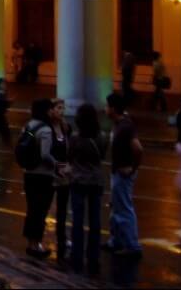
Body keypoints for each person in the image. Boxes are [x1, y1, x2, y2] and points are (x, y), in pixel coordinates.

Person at [68, 103, 108, 276]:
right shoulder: (102, 137)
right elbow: (103, 156)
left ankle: (77, 255)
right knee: (95, 220)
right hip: (96, 181)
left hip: (78, 180)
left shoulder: (76, 138)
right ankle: (93, 256)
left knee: (77, 220)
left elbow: (69, 157)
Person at [105, 92, 143, 257]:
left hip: (123, 173)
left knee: (124, 209)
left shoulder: (125, 126)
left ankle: (132, 246)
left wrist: (133, 168)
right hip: (117, 172)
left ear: (113, 108)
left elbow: (138, 149)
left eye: (107, 106)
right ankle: (116, 240)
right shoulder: (119, 123)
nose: (105, 109)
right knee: (116, 207)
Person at [22, 98, 59, 258]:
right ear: (45, 111)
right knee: (41, 211)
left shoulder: (29, 125)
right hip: (43, 175)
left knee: (31, 209)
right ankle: (36, 245)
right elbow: (45, 154)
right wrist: (57, 165)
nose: (52, 112)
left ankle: (30, 242)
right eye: (50, 109)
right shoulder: (46, 130)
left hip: (29, 173)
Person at [49, 98, 72, 264]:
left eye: (63, 108)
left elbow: (69, 149)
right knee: (46, 206)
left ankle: (62, 237)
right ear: (52, 110)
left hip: (64, 174)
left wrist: (69, 166)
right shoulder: (47, 128)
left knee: (63, 209)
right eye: (58, 108)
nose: (61, 111)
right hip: (51, 172)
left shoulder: (65, 128)